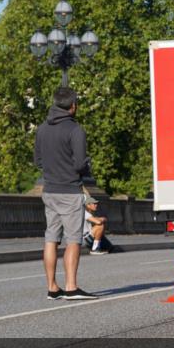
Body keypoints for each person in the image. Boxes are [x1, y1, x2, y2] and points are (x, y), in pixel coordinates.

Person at [34, 87, 98, 300]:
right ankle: (71, 286)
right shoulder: (75, 130)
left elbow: (38, 161)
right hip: (70, 190)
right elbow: (80, 163)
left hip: (49, 190)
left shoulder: (42, 128)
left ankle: (52, 287)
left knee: (51, 238)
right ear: (73, 106)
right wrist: (87, 164)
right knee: (73, 239)